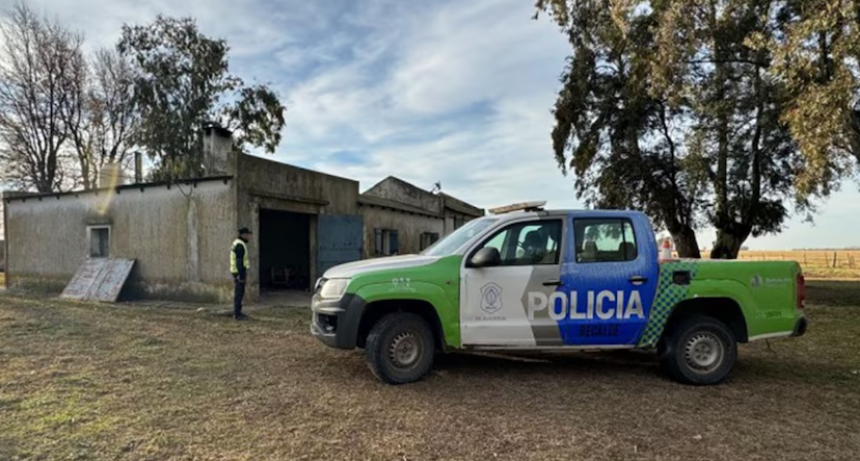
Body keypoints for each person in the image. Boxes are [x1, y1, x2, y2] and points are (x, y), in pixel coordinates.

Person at [230, 227, 252, 320]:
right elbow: (239, 261)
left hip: (236, 272)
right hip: (239, 272)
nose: (249, 237)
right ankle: (237, 314)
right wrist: (241, 276)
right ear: (244, 235)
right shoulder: (240, 245)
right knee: (239, 293)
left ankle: (238, 312)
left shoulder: (237, 243)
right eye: (248, 235)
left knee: (239, 293)